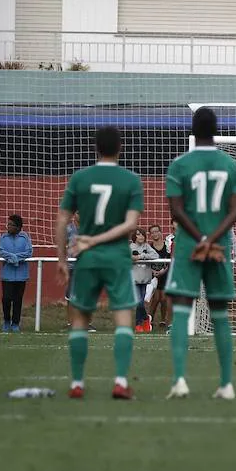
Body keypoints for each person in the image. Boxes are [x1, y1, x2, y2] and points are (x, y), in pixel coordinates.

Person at [55, 126, 145, 400]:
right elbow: (131, 224)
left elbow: (61, 220)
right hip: (117, 258)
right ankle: (119, 381)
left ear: (96, 148)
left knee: (80, 318)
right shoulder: (130, 180)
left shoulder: (80, 178)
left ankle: (77, 384)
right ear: (120, 147)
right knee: (123, 319)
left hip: (87, 259)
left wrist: (61, 258)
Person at [164, 108, 236, 400]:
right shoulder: (231, 165)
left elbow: (176, 209)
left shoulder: (179, 164)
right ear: (216, 129)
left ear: (193, 130)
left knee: (183, 310)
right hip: (219, 247)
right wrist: (213, 238)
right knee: (220, 314)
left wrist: (199, 238)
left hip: (189, 247)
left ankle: (180, 381)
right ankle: (226, 384)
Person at [0, 214, 33, 333]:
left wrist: (16, 258)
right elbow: (1, 251)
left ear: (18, 227)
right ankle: (6, 320)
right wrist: (11, 257)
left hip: (21, 274)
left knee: (18, 300)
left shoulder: (24, 237)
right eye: (8, 224)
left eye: (11, 225)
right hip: (7, 274)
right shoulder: (3, 237)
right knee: (6, 299)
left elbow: (29, 252)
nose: (9, 226)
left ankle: (15, 323)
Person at [130, 229, 159, 333]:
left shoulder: (147, 246)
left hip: (145, 279)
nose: (141, 236)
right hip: (135, 279)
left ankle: (141, 322)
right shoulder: (131, 247)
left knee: (141, 302)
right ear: (135, 236)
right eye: (138, 235)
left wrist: (141, 256)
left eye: (142, 235)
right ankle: (144, 320)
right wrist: (133, 257)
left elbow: (155, 255)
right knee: (139, 303)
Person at [144, 224, 172, 331]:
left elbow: (169, 261)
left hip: (165, 274)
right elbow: (147, 262)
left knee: (164, 298)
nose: (155, 234)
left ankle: (163, 320)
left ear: (161, 232)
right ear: (150, 235)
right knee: (155, 299)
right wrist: (153, 271)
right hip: (153, 275)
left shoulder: (167, 246)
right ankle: (149, 320)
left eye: (157, 231)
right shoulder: (149, 247)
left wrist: (162, 271)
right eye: (152, 232)